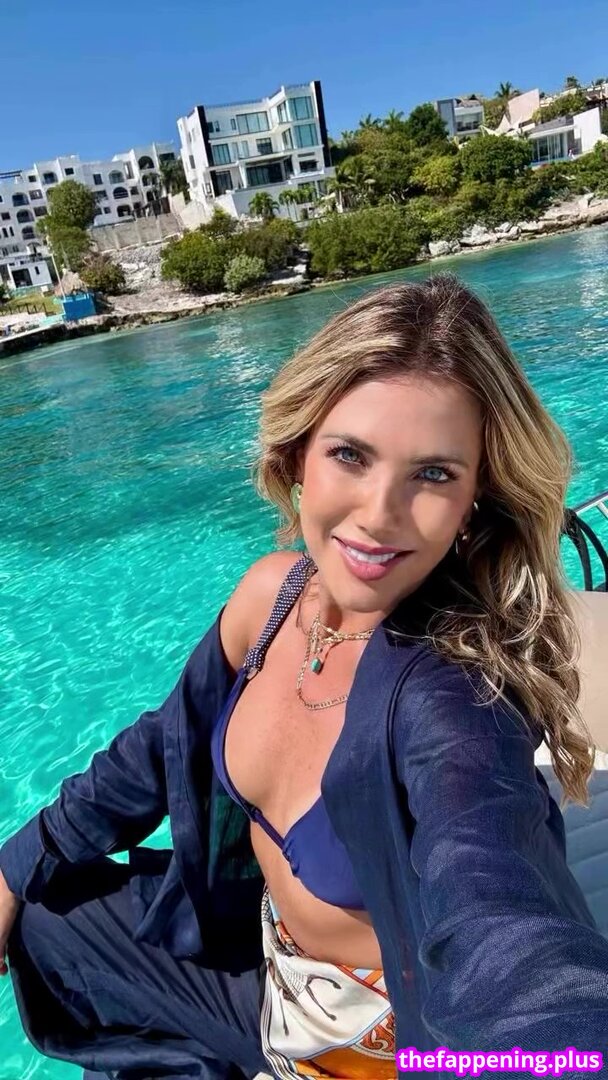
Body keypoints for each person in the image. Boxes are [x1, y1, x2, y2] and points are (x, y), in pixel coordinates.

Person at [2, 273, 608, 1080]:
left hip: (381, 1041)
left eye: (434, 474)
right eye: (350, 455)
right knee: (45, 915)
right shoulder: (273, 597)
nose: (379, 515)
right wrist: (13, 865)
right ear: (297, 457)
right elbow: (159, 747)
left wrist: (558, 1050)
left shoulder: (454, 695)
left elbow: (501, 909)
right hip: (269, 965)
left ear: (476, 500)